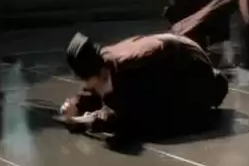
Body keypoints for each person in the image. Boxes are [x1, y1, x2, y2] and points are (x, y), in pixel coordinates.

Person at [60, 31, 229, 138]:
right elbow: (94, 88)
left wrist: (87, 121)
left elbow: (125, 117)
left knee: (156, 122)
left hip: (192, 68)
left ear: (99, 73)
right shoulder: (104, 61)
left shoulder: (131, 70)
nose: (87, 85)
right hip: (174, 57)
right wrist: (77, 104)